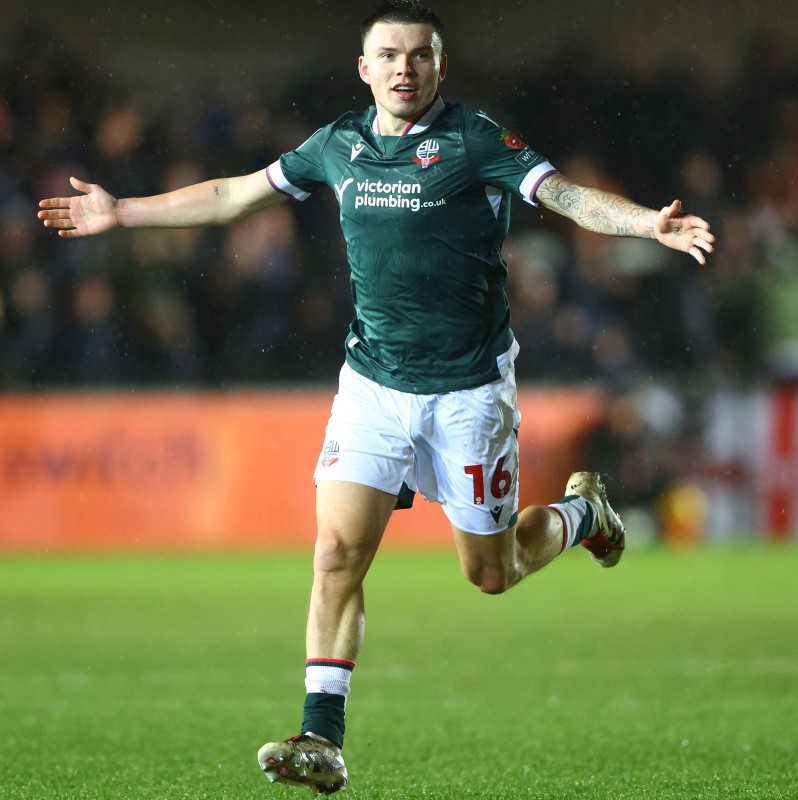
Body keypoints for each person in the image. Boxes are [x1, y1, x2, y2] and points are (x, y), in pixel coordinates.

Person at [38, 1, 715, 794]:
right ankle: (320, 738)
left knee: (490, 573)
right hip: (374, 388)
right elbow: (231, 197)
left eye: (419, 55)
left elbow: (564, 196)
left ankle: (582, 514)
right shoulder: (338, 145)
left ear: (440, 66)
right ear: (365, 68)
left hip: (469, 394)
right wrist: (123, 211)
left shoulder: (473, 140)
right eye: (388, 55)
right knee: (334, 554)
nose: (404, 68)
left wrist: (645, 226)